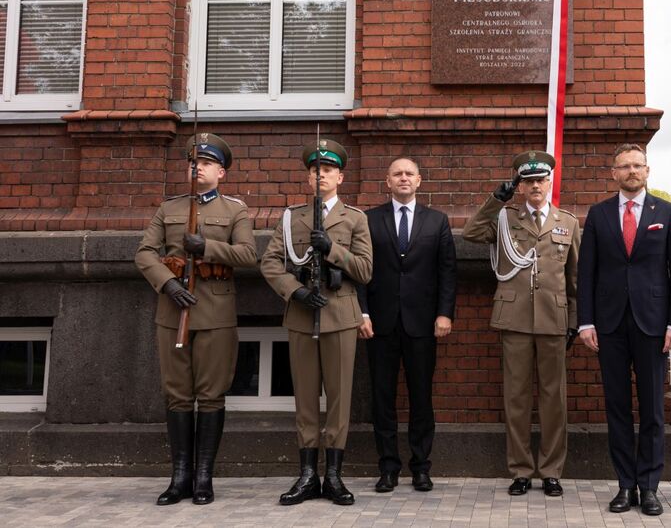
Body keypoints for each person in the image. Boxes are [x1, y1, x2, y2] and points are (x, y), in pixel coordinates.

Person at [135, 133, 258, 506]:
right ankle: (180, 477)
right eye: (193, 162)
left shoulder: (235, 210)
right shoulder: (168, 209)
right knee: (176, 395)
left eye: (206, 163)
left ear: (221, 172)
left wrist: (207, 247)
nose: (197, 167)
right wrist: (168, 284)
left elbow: (248, 254)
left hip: (216, 312)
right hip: (174, 311)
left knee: (210, 394)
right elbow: (144, 254)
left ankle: (204, 476)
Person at [577, 142, 671, 516]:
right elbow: (586, 272)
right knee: (618, 407)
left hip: (654, 324)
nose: (631, 172)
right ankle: (626, 484)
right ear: (614, 173)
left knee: (654, 408)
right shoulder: (598, 214)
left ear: (647, 171)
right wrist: (586, 321)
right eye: (624, 166)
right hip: (609, 324)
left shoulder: (667, 213)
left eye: (637, 165)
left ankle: (650, 485)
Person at [260, 139, 373, 507]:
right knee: (306, 398)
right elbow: (271, 263)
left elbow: (366, 270)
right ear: (309, 177)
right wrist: (295, 292)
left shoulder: (355, 218)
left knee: (339, 398)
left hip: (340, 316)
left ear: (340, 176)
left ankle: (335, 475)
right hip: (302, 314)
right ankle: (308, 474)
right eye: (314, 170)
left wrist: (332, 249)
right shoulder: (292, 216)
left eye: (327, 169)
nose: (320, 175)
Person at [463, 150, 579, 498]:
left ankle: (552, 470)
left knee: (553, 400)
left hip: (553, 319)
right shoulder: (504, 219)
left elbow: (574, 279)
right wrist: (495, 200)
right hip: (514, 319)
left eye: (540, 180)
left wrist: (573, 320)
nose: (535, 186)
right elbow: (471, 232)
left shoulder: (567, 222)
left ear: (549, 182)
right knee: (515, 399)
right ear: (520, 186)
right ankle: (521, 470)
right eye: (527, 181)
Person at [361, 157, 457, 494]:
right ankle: (388, 467)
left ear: (419, 181)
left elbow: (447, 272)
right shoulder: (369, 219)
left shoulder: (437, 221)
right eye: (397, 174)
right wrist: (362, 313)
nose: (404, 178)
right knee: (382, 398)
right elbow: (361, 271)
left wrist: (445, 313)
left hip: (423, 324)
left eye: (409, 174)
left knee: (421, 397)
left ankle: (421, 467)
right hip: (380, 323)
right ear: (387, 181)